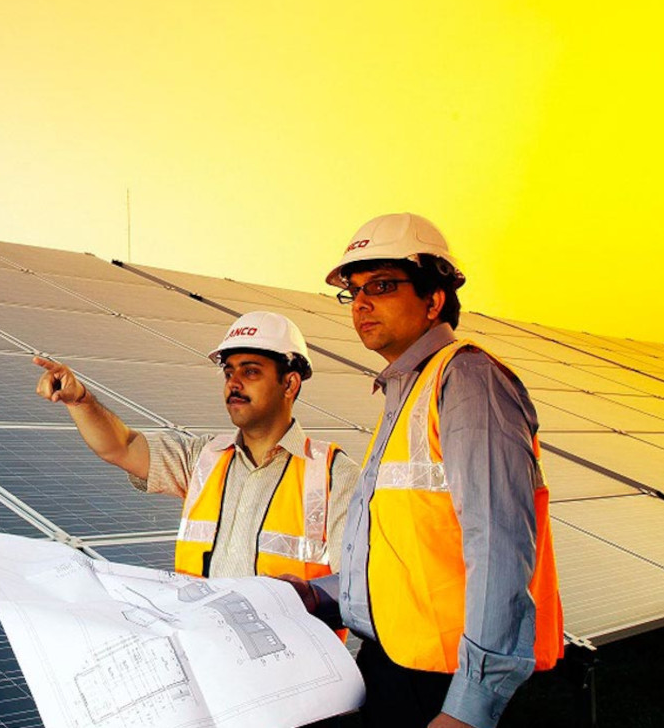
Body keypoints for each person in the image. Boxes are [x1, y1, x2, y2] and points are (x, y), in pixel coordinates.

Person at [290, 213, 563, 728]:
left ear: (434, 300)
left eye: (382, 286)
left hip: (442, 684)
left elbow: (499, 545)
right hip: (393, 666)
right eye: (354, 291)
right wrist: (320, 593)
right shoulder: (407, 392)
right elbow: (404, 559)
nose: (361, 303)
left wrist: (469, 707)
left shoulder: (468, 380)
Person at [33, 311, 359, 579]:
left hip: (289, 643)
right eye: (229, 372)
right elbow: (121, 446)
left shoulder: (335, 476)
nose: (234, 383)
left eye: (251, 372)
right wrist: (80, 401)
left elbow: (355, 586)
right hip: (204, 638)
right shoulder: (203, 458)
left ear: (289, 384)